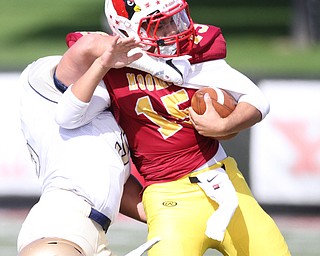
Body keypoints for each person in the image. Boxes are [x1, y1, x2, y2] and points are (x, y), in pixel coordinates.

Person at [53, 0, 292, 255]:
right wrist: (102, 64)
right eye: (159, 25)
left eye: (173, 20)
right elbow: (67, 117)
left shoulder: (193, 57)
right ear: (127, 29)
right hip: (168, 195)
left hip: (223, 181)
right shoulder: (112, 70)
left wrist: (225, 124)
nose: (172, 31)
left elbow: (257, 100)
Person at [16, 36, 157, 256]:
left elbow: (117, 186)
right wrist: (152, 56)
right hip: (60, 220)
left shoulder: (105, 121)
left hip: (93, 230)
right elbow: (86, 47)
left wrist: (167, 214)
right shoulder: (44, 85)